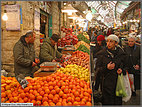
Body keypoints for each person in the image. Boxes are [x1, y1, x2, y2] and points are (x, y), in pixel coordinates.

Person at [95, 34, 126, 105]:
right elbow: (97, 69)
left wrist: (121, 69)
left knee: (117, 102)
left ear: (116, 43)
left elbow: (125, 65)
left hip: (117, 83)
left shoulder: (121, 54)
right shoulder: (102, 54)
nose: (108, 43)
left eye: (111, 41)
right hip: (106, 84)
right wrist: (106, 68)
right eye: (107, 41)